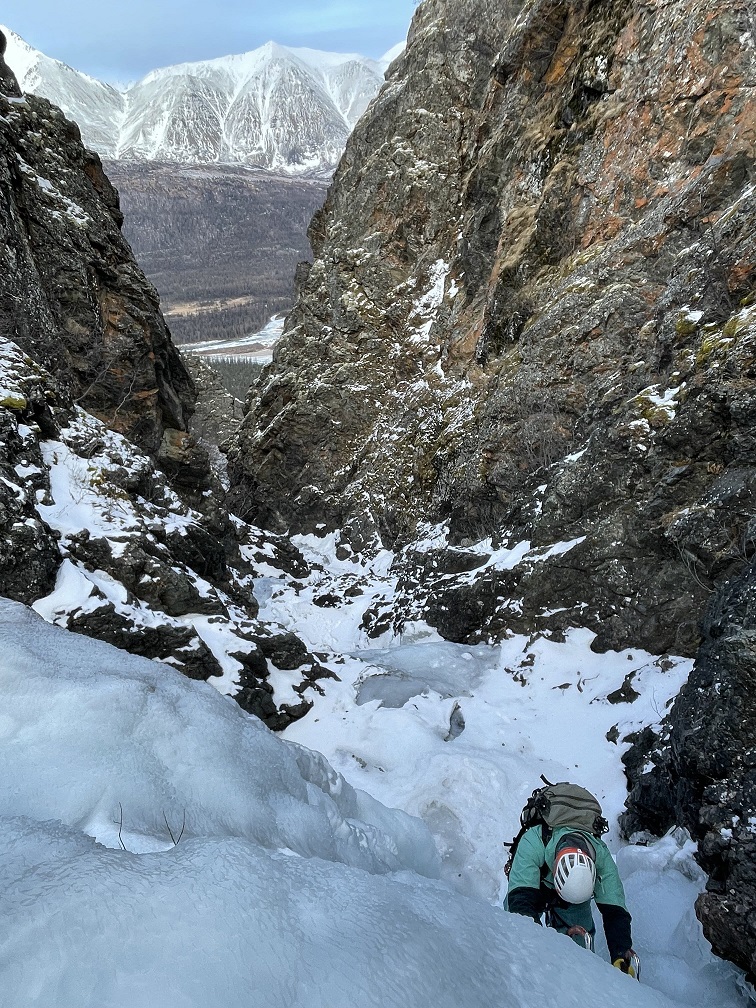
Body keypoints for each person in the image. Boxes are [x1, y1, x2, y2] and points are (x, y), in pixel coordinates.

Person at [506, 825, 637, 975]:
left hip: (575, 901)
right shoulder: (533, 843)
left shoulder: (602, 859)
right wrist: (536, 947)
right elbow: (520, 901)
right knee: (514, 923)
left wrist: (620, 953)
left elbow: (615, 910)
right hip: (536, 885)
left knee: (579, 950)